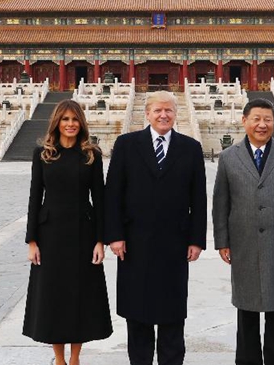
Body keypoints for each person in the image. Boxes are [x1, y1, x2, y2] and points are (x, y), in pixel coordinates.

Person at [104, 91, 207, 365]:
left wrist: (196, 239)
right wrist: (115, 236)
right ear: (146, 114)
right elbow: (113, 193)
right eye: (158, 110)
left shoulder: (190, 147)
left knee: (172, 313)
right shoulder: (127, 145)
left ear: (176, 113)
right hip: (134, 243)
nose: (164, 115)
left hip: (175, 243)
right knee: (138, 313)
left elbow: (198, 198)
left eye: (169, 111)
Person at [212, 98, 274, 365]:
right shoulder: (228, 157)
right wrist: (222, 240)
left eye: (267, 119)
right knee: (246, 309)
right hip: (243, 242)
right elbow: (220, 203)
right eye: (256, 118)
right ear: (244, 121)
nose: (262, 124)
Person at [22, 99, 113, 365]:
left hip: (83, 234)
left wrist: (100, 240)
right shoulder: (43, 153)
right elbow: (34, 198)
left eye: (75, 119)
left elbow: (100, 199)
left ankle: (75, 358)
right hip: (50, 235)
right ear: (57, 123)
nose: (70, 124)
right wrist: (32, 240)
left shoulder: (91, 154)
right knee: (53, 296)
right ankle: (59, 359)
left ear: (81, 123)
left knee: (79, 296)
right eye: (65, 119)